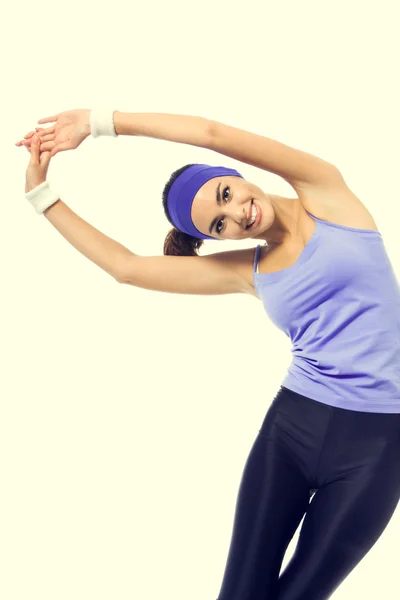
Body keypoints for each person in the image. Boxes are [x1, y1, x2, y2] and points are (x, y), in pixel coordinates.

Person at [16, 109, 400, 600]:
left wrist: (98, 123)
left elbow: (211, 134)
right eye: (219, 225)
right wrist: (41, 194)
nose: (237, 214)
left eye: (225, 195)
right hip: (291, 432)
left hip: (377, 443)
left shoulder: (324, 190)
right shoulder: (248, 270)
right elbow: (127, 268)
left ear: (234, 177)